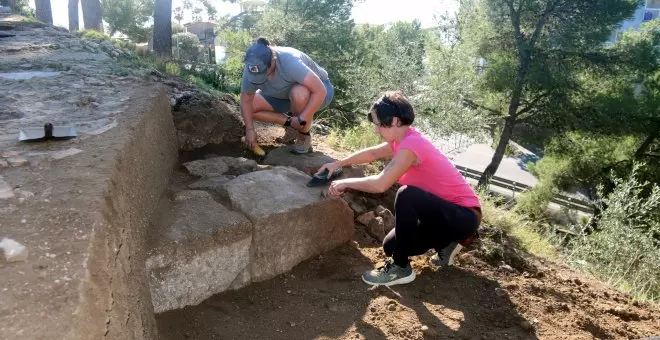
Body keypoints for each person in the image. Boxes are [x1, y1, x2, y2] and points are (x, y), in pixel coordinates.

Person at [317, 91, 482, 286]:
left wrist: (345, 182)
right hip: (441, 215)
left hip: (464, 215)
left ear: (394, 121)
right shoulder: (402, 140)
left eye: (378, 124)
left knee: (407, 195)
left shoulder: (412, 144)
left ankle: (401, 267)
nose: (375, 130)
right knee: (391, 246)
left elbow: (381, 184)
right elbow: (372, 153)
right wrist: (338, 163)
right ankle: (448, 242)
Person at [240, 37, 334, 154]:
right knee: (249, 107)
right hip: (281, 95)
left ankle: (303, 134)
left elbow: (320, 91)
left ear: (273, 61)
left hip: (318, 92)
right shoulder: (252, 66)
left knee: (299, 93)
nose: (260, 78)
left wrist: (303, 119)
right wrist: (249, 129)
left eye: (264, 73)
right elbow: (246, 99)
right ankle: (290, 124)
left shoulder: (290, 62)